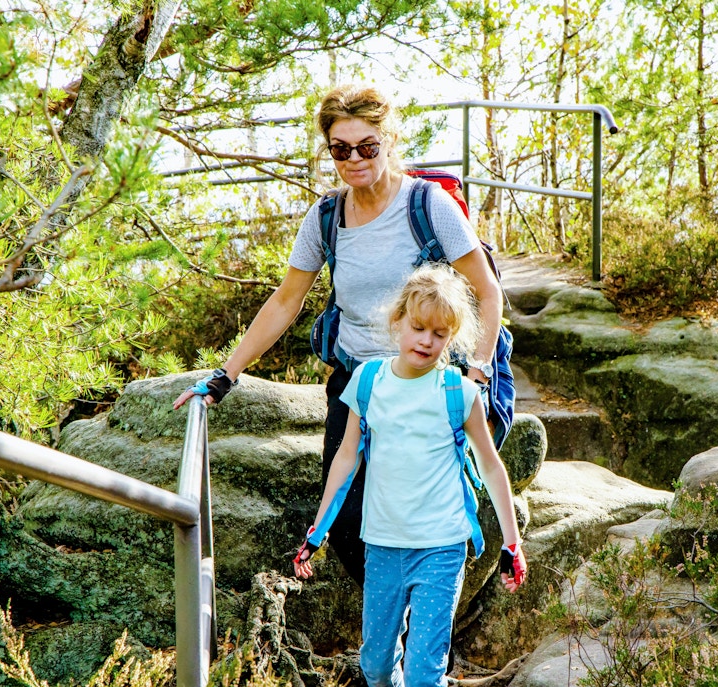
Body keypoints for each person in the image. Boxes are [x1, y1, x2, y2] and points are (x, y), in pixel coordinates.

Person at [172, 85, 504, 588]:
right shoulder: (326, 217)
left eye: (368, 146)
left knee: (428, 523)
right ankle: (395, 638)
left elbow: (487, 291)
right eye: (340, 149)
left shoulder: (427, 204)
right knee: (347, 526)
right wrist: (226, 374)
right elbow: (286, 300)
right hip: (359, 384)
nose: (355, 159)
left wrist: (477, 371)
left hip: (429, 382)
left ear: (390, 140)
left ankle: (426, 652)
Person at [292, 265, 527, 687]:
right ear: (397, 320)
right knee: (377, 667)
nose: (426, 340)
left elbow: (491, 466)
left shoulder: (461, 394)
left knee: (424, 673)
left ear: (452, 338)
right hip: (383, 545)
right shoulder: (368, 381)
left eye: (440, 333)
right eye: (418, 327)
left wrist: (512, 543)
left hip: (441, 548)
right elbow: (346, 459)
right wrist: (318, 529)